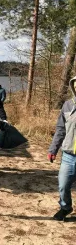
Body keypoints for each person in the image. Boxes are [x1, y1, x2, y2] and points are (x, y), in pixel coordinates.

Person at [47, 76, 76, 220]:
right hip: (68, 156)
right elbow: (60, 129)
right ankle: (65, 207)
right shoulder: (68, 105)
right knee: (63, 185)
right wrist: (53, 149)